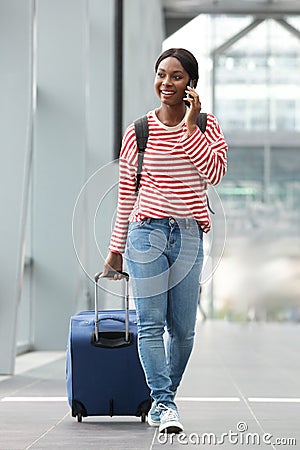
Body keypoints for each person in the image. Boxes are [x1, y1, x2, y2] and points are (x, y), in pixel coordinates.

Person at [102, 48, 228, 433]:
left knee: (184, 330)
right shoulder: (138, 131)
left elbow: (215, 174)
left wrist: (190, 127)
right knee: (151, 323)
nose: (166, 83)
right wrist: (115, 250)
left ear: (191, 83)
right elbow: (126, 195)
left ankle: (163, 400)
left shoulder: (206, 126)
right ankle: (164, 403)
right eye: (161, 75)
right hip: (146, 234)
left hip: (189, 234)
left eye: (176, 76)